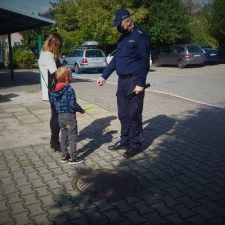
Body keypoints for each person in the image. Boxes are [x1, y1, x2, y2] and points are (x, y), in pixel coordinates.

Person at [96, 9, 151, 159]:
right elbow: (115, 60)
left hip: (134, 81)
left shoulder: (141, 36)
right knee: (123, 114)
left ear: (127, 21)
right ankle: (124, 141)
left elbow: (145, 62)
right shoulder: (122, 39)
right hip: (122, 83)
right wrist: (104, 76)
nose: (118, 28)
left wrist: (140, 83)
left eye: (119, 24)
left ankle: (135, 145)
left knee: (134, 115)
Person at [50, 66, 85, 164]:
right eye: (71, 75)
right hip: (69, 116)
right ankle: (73, 158)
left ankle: (64, 155)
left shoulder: (55, 89)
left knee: (64, 135)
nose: (72, 76)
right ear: (66, 78)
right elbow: (73, 104)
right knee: (73, 136)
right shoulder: (69, 89)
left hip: (60, 116)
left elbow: (52, 101)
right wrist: (81, 110)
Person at [38, 33, 63, 152]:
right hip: (54, 90)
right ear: (52, 43)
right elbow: (57, 73)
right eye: (58, 45)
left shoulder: (46, 53)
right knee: (56, 116)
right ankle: (55, 142)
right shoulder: (48, 55)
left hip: (53, 89)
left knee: (56, 115)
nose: (59, 48)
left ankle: (55, 141)